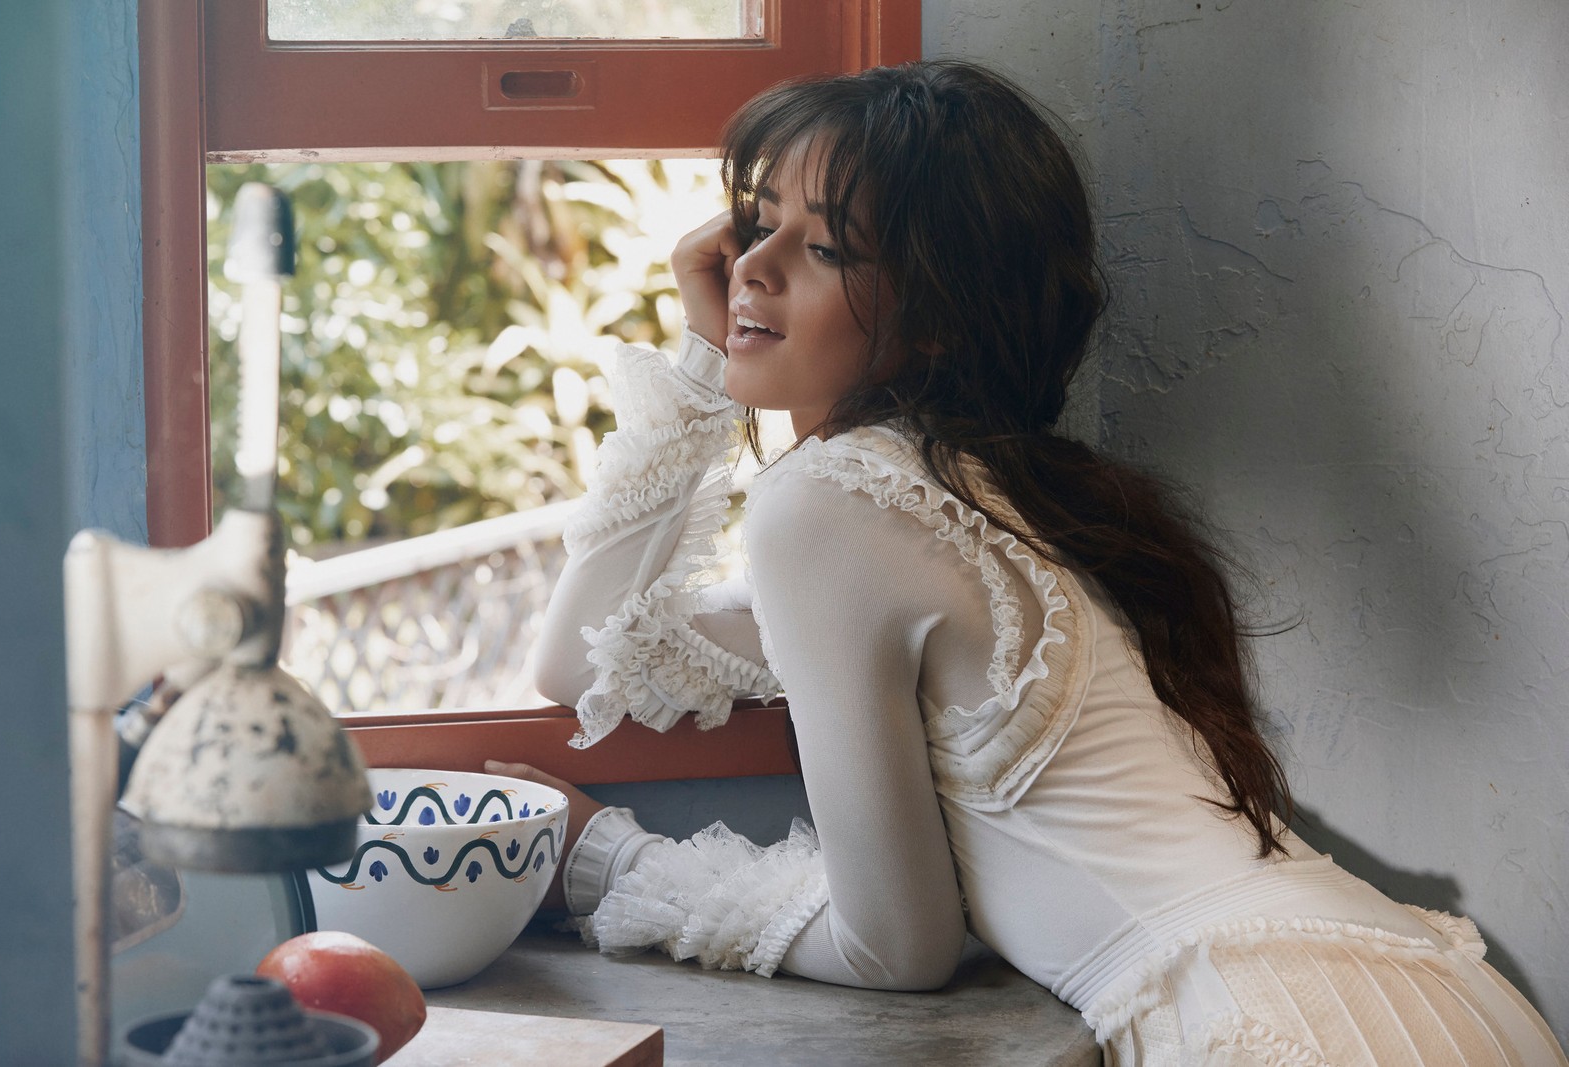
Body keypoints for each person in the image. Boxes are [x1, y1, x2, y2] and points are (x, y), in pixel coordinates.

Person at [488, 60, 1568, 1065]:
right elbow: (587, 667)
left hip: (1267, 1021)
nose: (751, 270)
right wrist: (705, 355)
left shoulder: (836, 503)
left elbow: (893, 945)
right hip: (1405, 992)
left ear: (938, 319)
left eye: (824, 248)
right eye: (757, 225)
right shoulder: (990, 489)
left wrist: (609, 862)